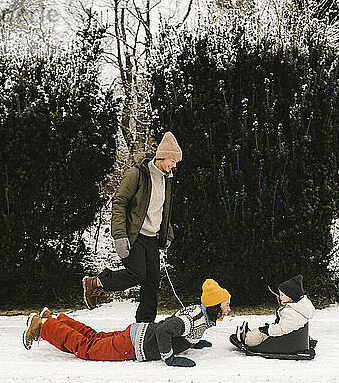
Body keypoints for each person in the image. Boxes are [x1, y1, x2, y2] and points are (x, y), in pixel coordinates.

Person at [82, 132, 182, 322]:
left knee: (151, 284)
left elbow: (164, 209)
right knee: (137, 274)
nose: (174, 165)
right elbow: (119, 202)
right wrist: (120, 235)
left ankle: (145, 327)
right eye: (173, 160)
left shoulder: (167, 179)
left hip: (152, 238)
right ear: (162, 156)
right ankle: (95, 282)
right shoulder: (137, 174)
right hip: (134, 235)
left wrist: (167, 233)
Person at [23, 279, 230, 367]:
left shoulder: (199, 313)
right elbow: (166, 330)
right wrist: (169, 358)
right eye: (226, 305)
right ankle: (43, 326)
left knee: (94, 337)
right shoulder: (192, 320)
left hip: (136, 333)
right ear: (214, 306)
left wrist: (192, 342)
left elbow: (180, 327)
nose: (228, 309)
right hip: (133, 345)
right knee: (87, 348)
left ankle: (56, 319)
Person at [236, 275, 314, 347]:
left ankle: (246, 338)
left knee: (261, 334)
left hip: (286, 340)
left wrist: (268, 330)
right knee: (263, 329)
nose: (280, 297)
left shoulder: (291, 312)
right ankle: (249, 333)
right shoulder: (299, 306)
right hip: (291, 335)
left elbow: (282, 329)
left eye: (282, 295)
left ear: (291, 297)